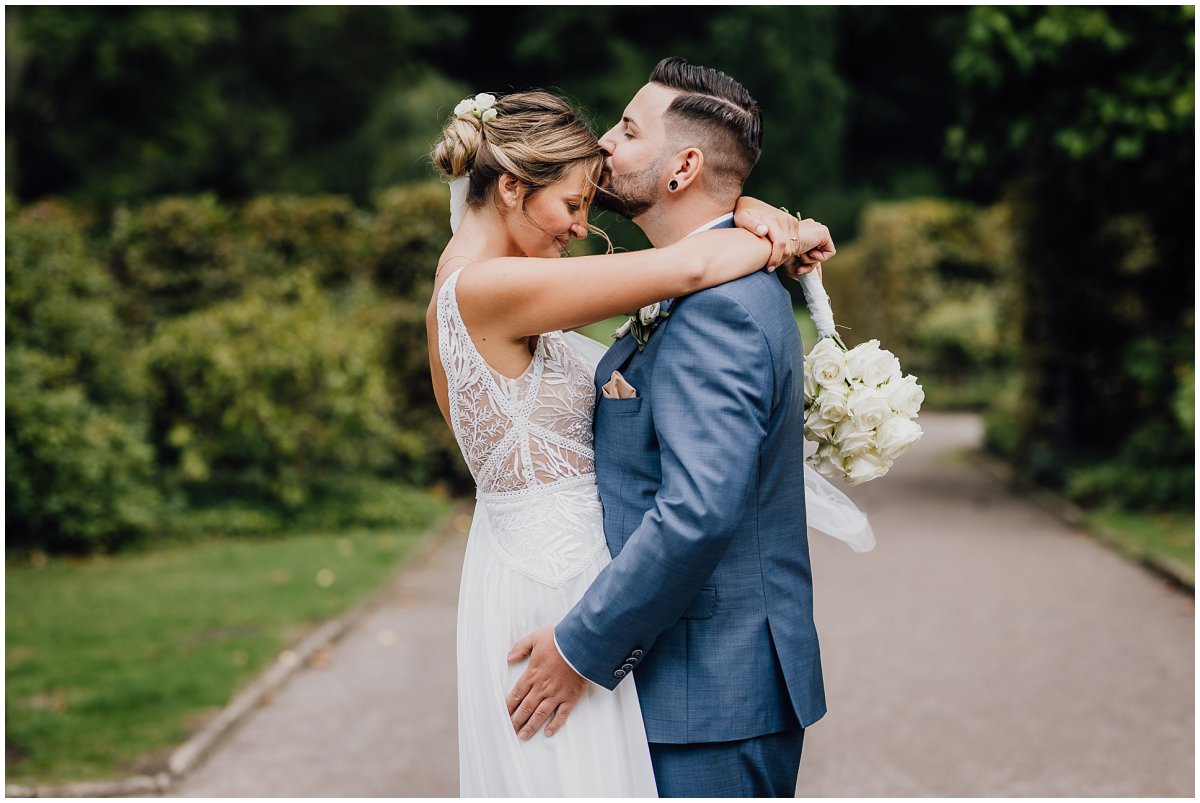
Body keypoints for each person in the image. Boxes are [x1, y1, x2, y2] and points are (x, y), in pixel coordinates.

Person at [425, 87, 833, 797]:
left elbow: (675, 214)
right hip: (552, 592)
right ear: (514, 188)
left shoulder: (506, 268)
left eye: (627, 131)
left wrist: (748, 209)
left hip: (563, 588)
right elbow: (691, 265)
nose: (583, 226)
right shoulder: (487, 288)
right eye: (574, 207)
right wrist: (782, 230)